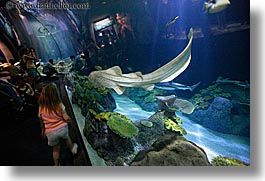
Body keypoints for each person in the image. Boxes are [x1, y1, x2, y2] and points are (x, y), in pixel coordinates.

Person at [38, 83, 78, 166]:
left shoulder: (41, 107)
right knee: (67, 138)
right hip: (62, 129)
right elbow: (66, 118)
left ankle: (56, 165)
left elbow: (41, 120)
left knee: (56, 149)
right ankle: (73, 150)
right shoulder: (59, 105)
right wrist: (70, 123)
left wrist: (43, 129)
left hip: (50, 132)